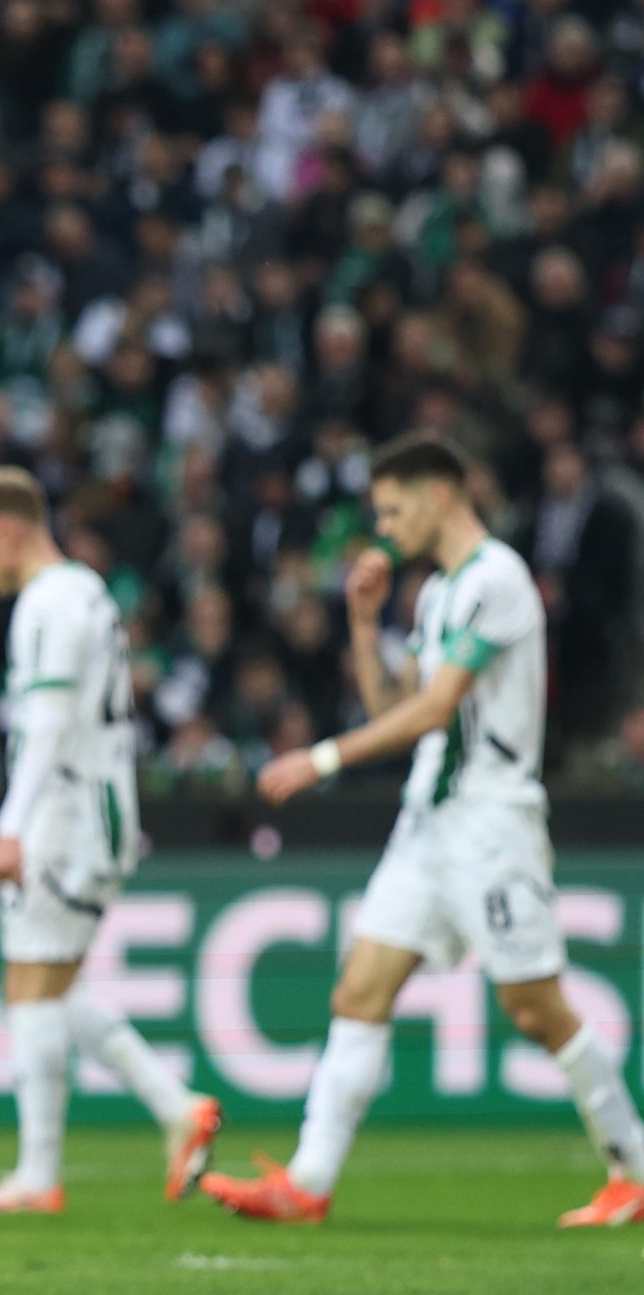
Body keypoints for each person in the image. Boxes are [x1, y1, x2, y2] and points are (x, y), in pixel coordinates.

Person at [209, 433, 644, 1226]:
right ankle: (307, 1182)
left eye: (393, 508)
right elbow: (396, 707)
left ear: (441, 495)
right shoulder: (442, 592)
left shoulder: (499, 579)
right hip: (428, 821)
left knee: (535, 1007)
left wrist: (323, 757)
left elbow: (438, 708)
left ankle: (635, 1164)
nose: (385, 526)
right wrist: (362, 620)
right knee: (360, 989)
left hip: (491, 823)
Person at [0, 466, 225, 1216]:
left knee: (32, 984)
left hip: (68, 814)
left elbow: (51, 723)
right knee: (49, 984)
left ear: (6, 528)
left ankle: (39, 1175)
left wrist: (10, 825)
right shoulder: (82, 593)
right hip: (85, 808)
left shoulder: (52, 600)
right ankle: (175, 1107)